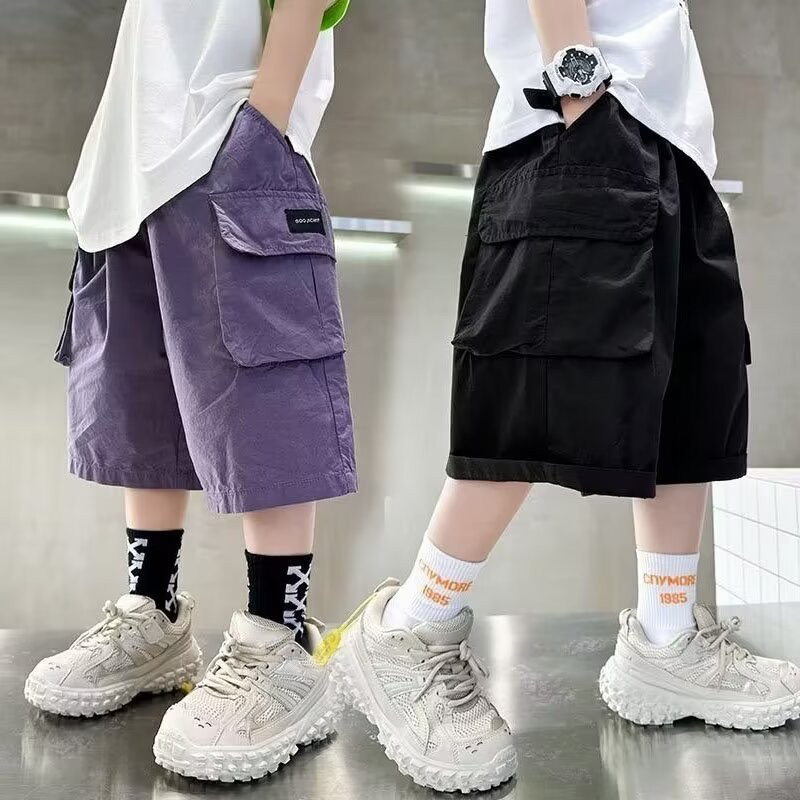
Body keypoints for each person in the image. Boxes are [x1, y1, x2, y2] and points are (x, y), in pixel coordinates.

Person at [332, 0, 800, 793]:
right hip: (576, 122)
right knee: (529, 390)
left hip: (676, 144)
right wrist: (580, 91)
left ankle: (666, 637)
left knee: (688, 398)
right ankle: (411, 626)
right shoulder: (582, 104)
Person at [24, 0, 356, 783]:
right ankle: (153, 614)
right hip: (126, 166)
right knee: (141, 401)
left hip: (228, 140)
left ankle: (279, 637)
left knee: (266, 395)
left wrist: (261, 124)